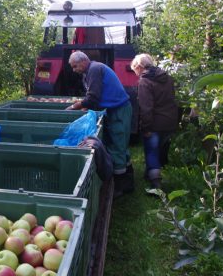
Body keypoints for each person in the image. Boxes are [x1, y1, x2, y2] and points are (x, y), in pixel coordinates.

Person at [65, 51, 134, 198]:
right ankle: (128, 183)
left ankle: (119, 187)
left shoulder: (94, 70)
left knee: (117, 147)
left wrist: (73, 107)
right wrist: (85, 105)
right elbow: (93, 96)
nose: (74, 70)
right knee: (120, 145)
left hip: (119, 110)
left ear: (83, 61)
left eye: (75, 66)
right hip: (116, 109)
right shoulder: (93, 69)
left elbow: (93, 98)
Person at [130, 53, 179, 190]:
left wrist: (146, 128)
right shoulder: (167, 78)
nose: (136, 74)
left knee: (151, 150)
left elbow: (146, 108)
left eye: (135, 70)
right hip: (170, 120)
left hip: (155, 122)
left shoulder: (145, 82)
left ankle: (156, 184)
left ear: (140, 67)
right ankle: (149, 174)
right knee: (160, 149)